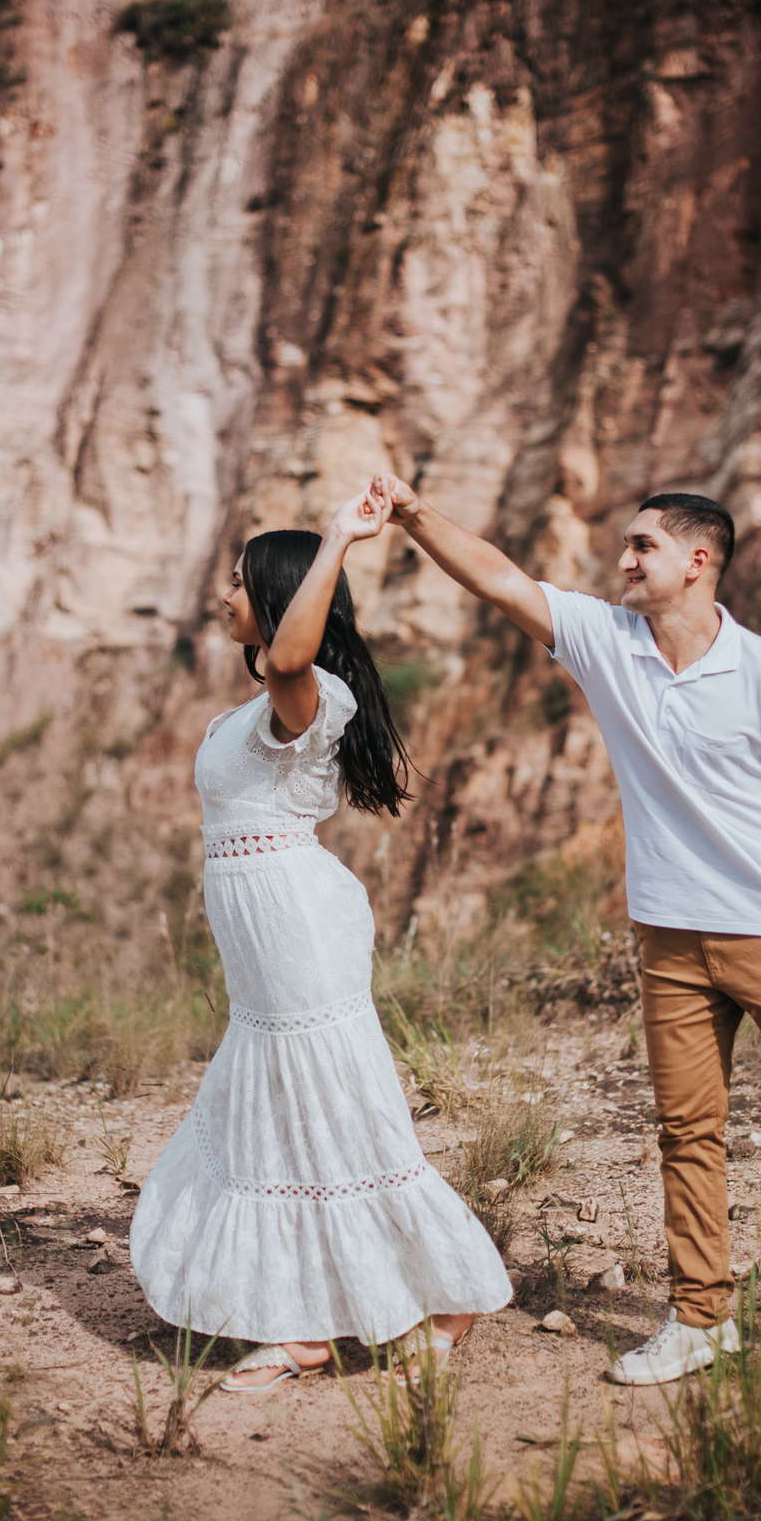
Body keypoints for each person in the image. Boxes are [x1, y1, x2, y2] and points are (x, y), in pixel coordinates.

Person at [372, 473, 761, 1387]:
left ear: (697, 561)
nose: (624, 560)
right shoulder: (607, 641)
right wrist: (415, 513)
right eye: (627, 546)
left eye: (642, 546)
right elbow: (500, 580)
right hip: (668, 941)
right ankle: (701, 1319)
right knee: (687, 1132)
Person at [129, 483, 511, 1392]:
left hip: (298, 925)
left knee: (328, 1103)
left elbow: (291, 651)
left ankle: (429, 1297)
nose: (223, 594)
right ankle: (305, 1318)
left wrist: (340, 535)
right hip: (263, 934)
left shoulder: (306, 693)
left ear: (278, 593)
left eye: (239, 581)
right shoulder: (247, 710)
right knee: (278, 1115)